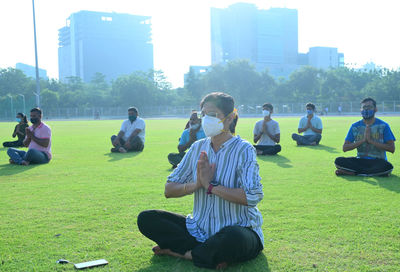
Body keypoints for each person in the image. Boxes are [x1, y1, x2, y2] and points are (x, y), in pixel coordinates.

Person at [137, 92, 264, 269]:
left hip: (238, 229)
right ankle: (207, 253)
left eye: (213, 115)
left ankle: (185, 253)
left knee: (233, 237)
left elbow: (252, 196)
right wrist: (197, 184)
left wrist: (211, 186)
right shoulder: (198, 147)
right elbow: (169, 190)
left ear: (230, 118)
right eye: (204, 115)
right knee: (147, 218)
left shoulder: (244, 149)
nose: (206, 120)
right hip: (199, 230)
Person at [335, 97, 396, 176]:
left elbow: (392, 148)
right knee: (339, 161)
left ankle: (354, 172)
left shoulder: (383, 126)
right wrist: (363, 140)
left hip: (377, 161)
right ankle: (370, 173)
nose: (366, 110)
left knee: (387, 166)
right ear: (361, 110)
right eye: (364, 107)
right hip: (360, 160)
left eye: (369, 107)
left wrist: (371, 141)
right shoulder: (355, 127)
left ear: (375, 109)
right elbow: (345, 148)